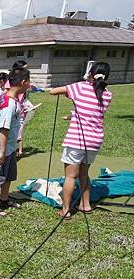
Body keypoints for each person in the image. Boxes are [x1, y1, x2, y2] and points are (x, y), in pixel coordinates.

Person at [49, 62, 112, 219]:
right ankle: (85, 205)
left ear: (90, 74)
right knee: (84, 173)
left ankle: (65, 210)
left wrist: (69, 93)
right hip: (95, 141)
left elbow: (52, 91)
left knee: (70, 176)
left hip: (77, 140)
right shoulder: (108, 95)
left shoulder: (80, 87)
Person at [0, 67, 31, 217]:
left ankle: (4, 198)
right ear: (24, 82)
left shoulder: (13, 100)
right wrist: (2, 152)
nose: (30, 85)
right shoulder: (9, 103)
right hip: (0, 147)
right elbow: (3, 128)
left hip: (9, 146)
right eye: (29, 81)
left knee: (9, 175)